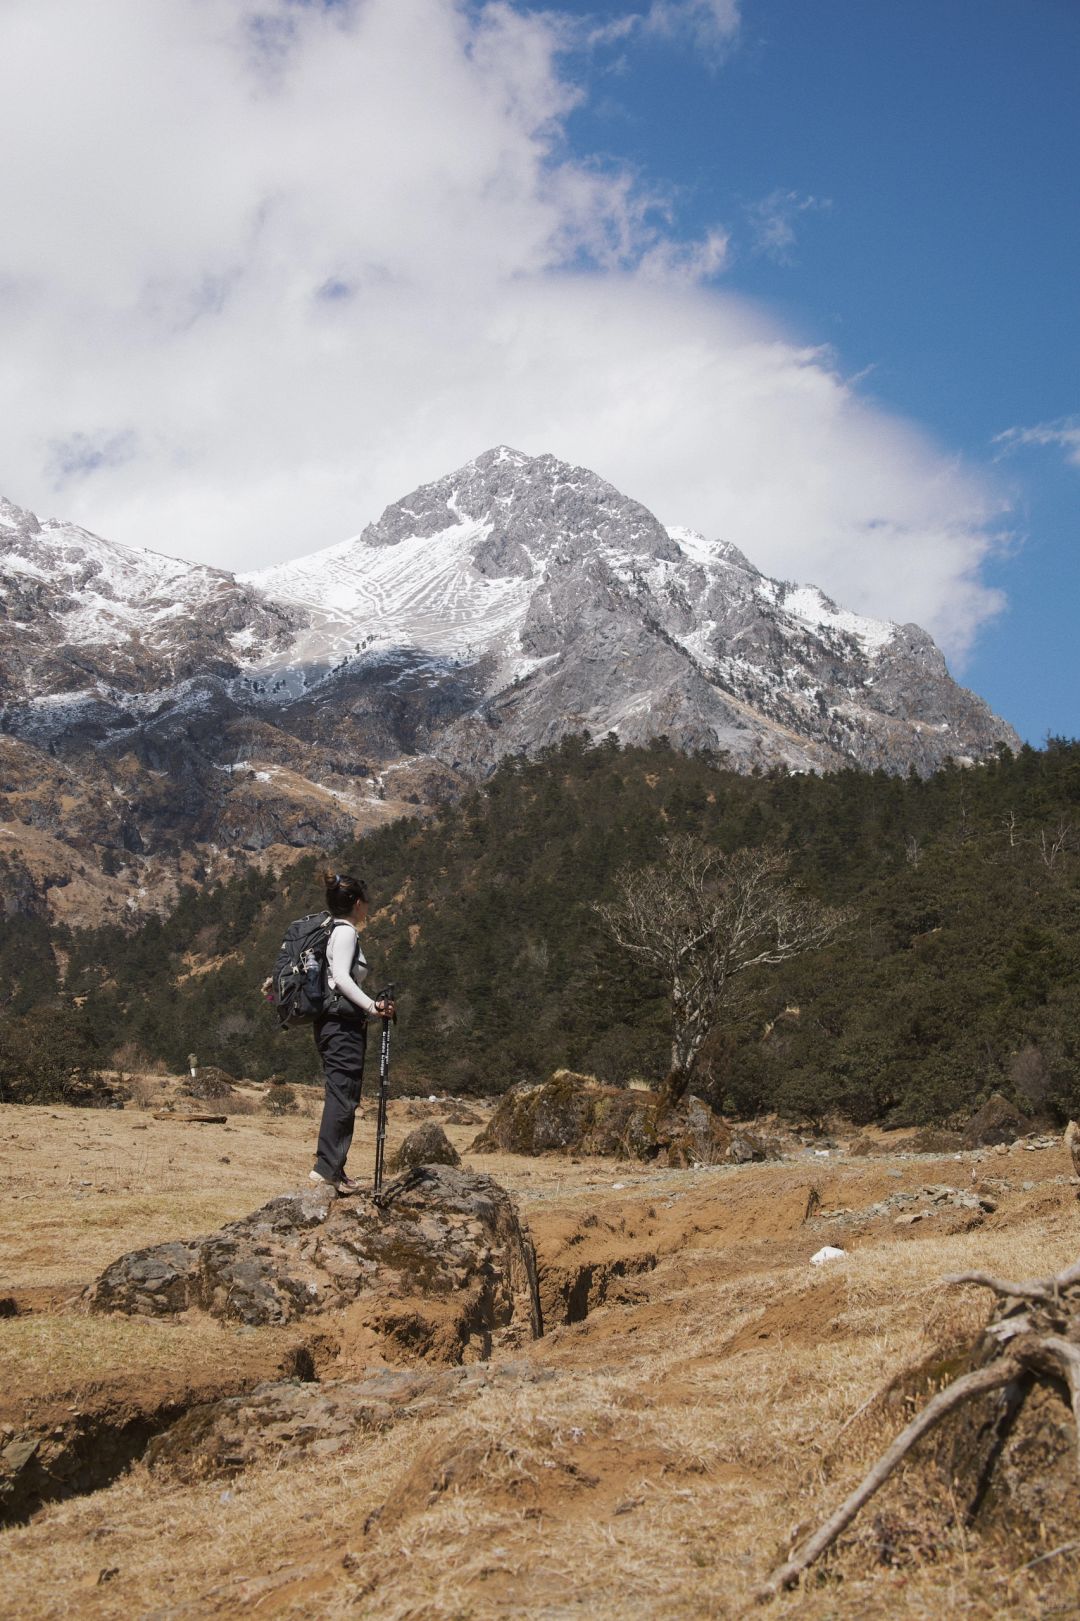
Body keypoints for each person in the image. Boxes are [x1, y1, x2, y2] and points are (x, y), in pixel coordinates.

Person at [309, 870, 393, 1194]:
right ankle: (325, 1170)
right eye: (366, 902)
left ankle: (334, 1168)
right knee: (342, 1095)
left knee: (342, 1093)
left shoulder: (331, 930)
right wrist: (373, 1007)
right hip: (340, 1025)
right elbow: (342, 979)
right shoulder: (345, 932)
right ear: (358, 903)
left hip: (334, 1024)